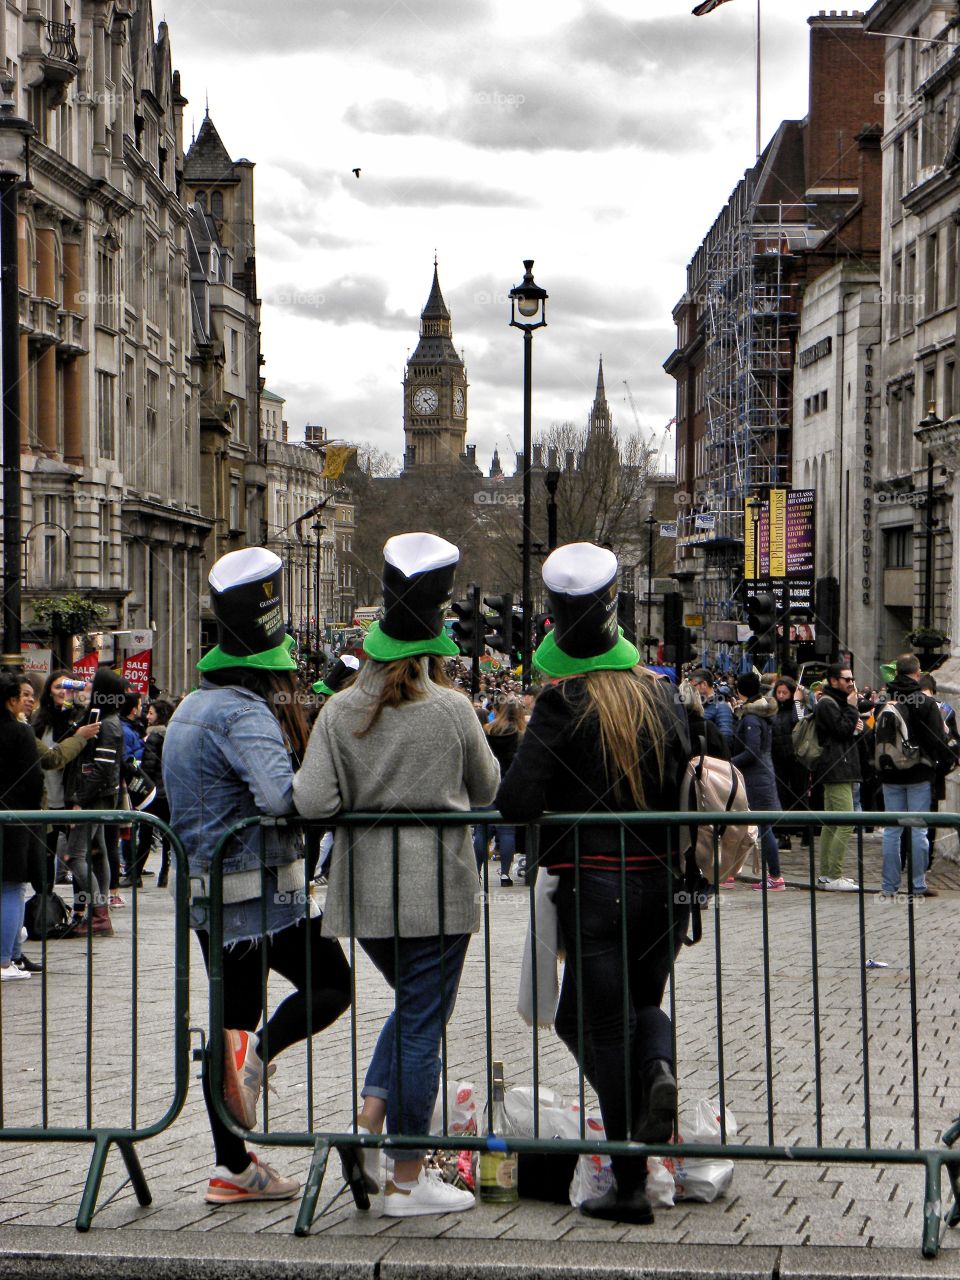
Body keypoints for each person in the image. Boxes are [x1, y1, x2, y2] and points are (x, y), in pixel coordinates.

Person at [295, 533, 500, 1218]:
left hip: (365, 893)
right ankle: (408, 1177)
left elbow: (312, 802)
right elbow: (488, 784)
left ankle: (368, 1127)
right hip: (439, 888)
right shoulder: (452, 710)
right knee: (420, 1023)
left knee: (414, 1010)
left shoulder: (339, 709)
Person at [497, 543, 691, 1226]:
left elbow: (515, 800)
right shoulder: (661, 697)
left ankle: (630, 1181)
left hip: (597, 889)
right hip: (662, 889)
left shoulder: (564, 705)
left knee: (598, 1026)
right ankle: (654, 1074)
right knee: (628, 1011)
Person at [164, 546, 351, 1206]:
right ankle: (259, 1065)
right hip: (263, 902)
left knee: (229, 1027)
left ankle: (232, 1167)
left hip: (212, 902)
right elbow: (282, 798)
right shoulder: (244, 713)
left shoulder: (189, 707)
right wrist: (326, 789)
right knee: (332, 983)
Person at [61, 666, 129, 936]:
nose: (86, 687)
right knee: (98, 852)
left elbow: (101, 768)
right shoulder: (102, 718)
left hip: (94, 800)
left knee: (73, 855)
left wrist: (79, 797)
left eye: (92, 685)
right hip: (99, 799)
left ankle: (99, 913)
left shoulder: (108, 725)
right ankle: (99, 914)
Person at [879, 654, 952, 899]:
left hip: (890, 774)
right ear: (918, 673)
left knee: (892, 830)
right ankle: (917, 885)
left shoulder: (886, 699)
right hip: (919, 773)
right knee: (918, 830)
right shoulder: (924, 701)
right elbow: (937, 740)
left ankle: (889, 887)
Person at [1, 674, 44, 981]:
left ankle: (12, 954)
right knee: (12, 887)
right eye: (23, 695)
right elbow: (34, 778)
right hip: (14, 818)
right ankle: (4, 960)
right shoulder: (20, 732)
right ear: (11, 700)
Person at [731, 673, 784, 892]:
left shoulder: (751, 718)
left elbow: (751, 752)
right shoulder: (760, 713)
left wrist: (728, 763)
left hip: (755, 778)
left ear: (740, 691)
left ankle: (775, 876)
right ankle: (733, 871)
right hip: (762, 774)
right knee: (755, 826)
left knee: (763, 827)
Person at [812, 662, 862, 892]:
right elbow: (841, 730)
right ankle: (833, 874)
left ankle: (826, 875)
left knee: (831, 822)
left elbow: (846, 731)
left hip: (837, 767)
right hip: (836, 769)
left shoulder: (833, 703)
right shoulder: (827, 703)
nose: (851, 683)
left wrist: (854, 722)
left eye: (852, 679)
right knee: (845, 821)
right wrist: (852, 709)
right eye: (846, 679)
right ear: (833, 681)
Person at [124, 699, 175, 889]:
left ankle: (135, 874)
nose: (147, 716)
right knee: (168, 836)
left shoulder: (153, 737)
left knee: (145, 834)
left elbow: (148, 767)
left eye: (151, 713)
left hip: (153, 794)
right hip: (168, 793)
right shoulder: (172, 734)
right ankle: (164, 873)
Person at [482, 697, 526, 886]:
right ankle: (505, 875)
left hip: (489, 783)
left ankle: (476, 872)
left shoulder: (487, 730)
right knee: (507, 831)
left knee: (481, 830)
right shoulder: (521, 734)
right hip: (509, 785)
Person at [770, 676, 807, 850]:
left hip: (796, 757)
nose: (781, 695)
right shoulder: (773, 709)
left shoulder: (797, 708)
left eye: (785, 692)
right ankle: (784, 833)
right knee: (781, 794)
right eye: (779, 692)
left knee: (800, 792)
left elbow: (801, 721)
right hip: (778, 757)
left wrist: (798, 701)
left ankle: (805, 829)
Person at [690, 669, 734, 742]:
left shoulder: (721, 707)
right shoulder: (699, 705)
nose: (691, 690)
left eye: (694, 686)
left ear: (704, 684)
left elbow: (726, 737)